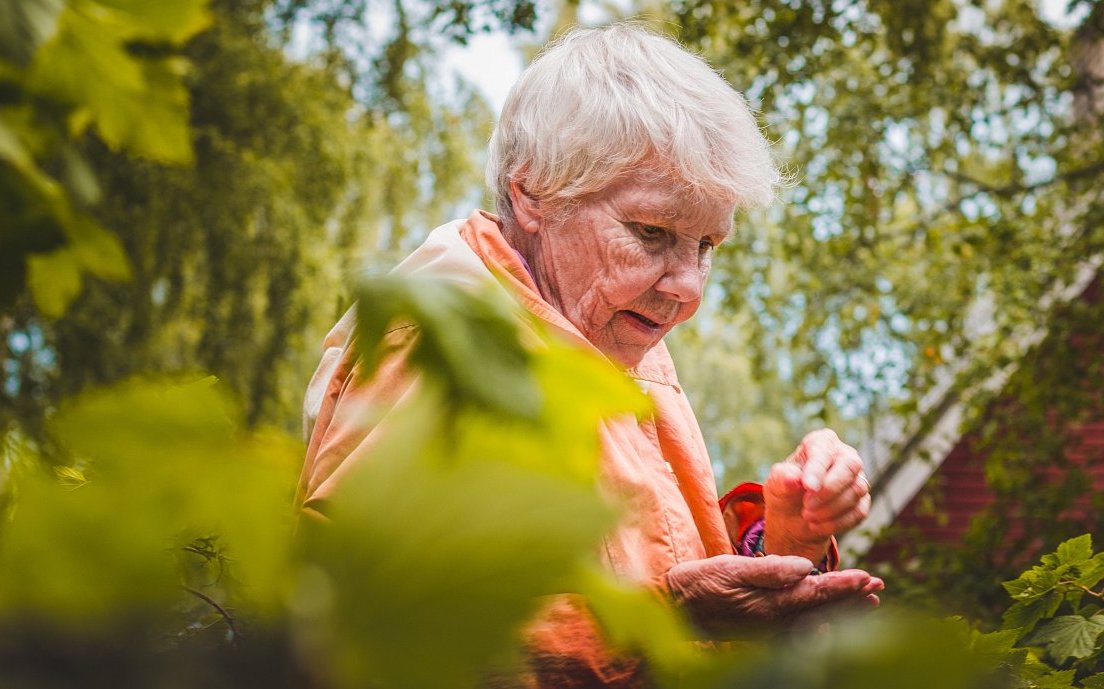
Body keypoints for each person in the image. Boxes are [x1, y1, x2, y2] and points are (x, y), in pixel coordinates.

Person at [297, 23, 883, 688]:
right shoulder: (446, 345)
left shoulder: (608, 327)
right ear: (532, 192)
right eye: (652, 232)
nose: (687, 288)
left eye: (707, 246)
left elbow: (652, 558)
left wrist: (785, 537)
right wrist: (668, 617)